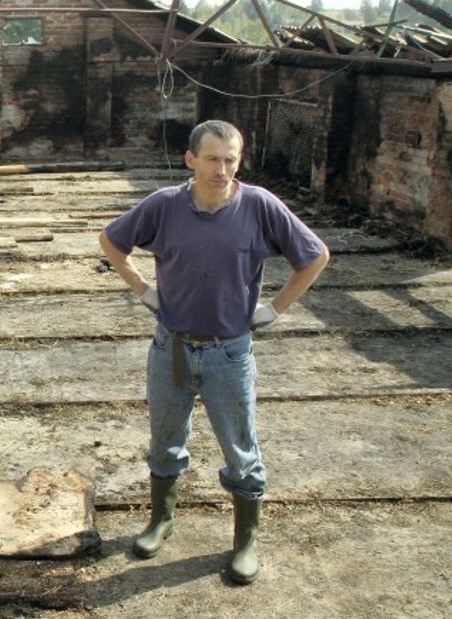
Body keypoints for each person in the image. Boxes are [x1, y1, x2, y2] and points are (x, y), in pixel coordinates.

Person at [98, 119, 329, 585]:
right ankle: (161, 519)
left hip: (230, 354)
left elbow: (315, 256)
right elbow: (111, 241)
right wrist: (143, 289)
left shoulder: (260, 206)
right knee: (164, 442)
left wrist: (275, 309)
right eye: (212, 159)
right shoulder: (164, 206)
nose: (222, 169)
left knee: (241, 451)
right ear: (191, 159)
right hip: (172, 349)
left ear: (238, 161)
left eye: (231, 159)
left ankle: (245, 540)